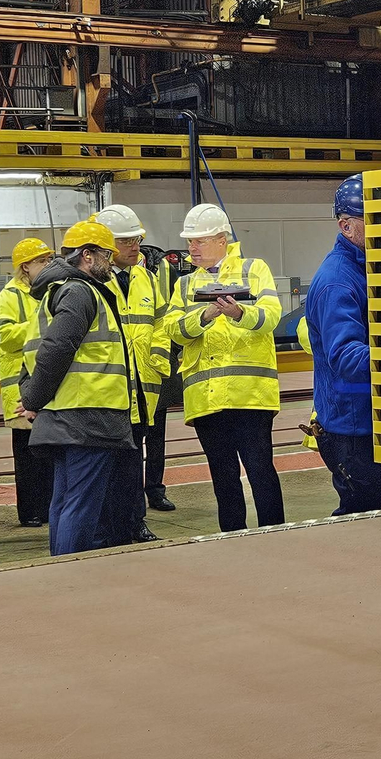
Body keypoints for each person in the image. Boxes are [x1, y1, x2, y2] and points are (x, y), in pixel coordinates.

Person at [19, 221, 143, 557]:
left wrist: (32, 396)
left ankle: (61, 570)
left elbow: (34, 353)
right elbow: (56, 349)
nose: (111, 262)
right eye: (106, 255)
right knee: (81, 506)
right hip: (87, 416)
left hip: (67, 415)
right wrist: (33, 398)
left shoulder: (54, 293)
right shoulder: (79, 292)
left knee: (65, 502)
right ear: (87, 255)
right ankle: (71, 574)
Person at [166, 203, 283, 532]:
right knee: (223, 476)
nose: (192, 248)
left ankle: (276, 534)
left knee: (260, 470)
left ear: (222, 240)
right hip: (206, 399)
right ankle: (231, 537)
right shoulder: (185, 284)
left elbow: (272, 315)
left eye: (199, 241)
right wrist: (204, 316)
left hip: (250, 395)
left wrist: (238, 313)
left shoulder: (253, 270)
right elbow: (173, 329)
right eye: (190, 241)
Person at [306, 176, 381, 513]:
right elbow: (345, 356)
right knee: (368, 522)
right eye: (377, 221)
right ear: (346, 226)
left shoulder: (380, 271)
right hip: (355, 429)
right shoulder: (337, 281)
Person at [93, 204, 174, 540]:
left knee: (132, 458)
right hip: (109, 388)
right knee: (108, 462)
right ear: (105, 244)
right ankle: (106, 528)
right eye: (126, 241)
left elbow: (163, 321)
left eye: (137, 239)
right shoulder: (91, 282)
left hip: (143, 384)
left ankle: (134, 522)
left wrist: (158, 358)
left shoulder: (146, 278)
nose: (135, 246)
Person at [0, 238, 55, 528]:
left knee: (48, 452)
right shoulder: (8, 297)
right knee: (28, 456)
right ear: (25, 267)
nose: (47, 265)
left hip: (45, 383)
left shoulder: (50, 291)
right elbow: (6, 337)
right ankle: (30, 511)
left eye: (48, 259)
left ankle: (48, 507)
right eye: (41, 261)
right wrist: (43, 326)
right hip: (20, 387)